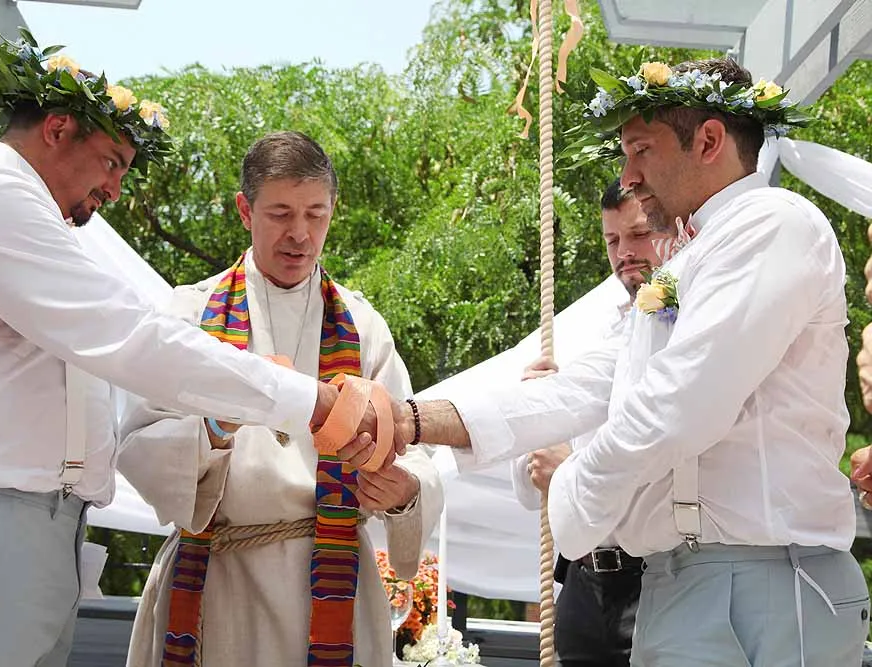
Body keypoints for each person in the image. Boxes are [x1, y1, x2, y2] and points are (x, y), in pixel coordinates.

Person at [0, 35, 384, 667]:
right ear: (57, 129)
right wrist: (309, 401)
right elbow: (132, 339)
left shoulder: (20, 210)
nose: (115, 189)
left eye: (316, 214)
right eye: (111, 162)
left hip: (13, 524)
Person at [343, 56, 869, 665]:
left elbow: (680, 405)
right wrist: (411, 418)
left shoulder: (774, 223)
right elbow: (585, 385)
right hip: (676, 579)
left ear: (708, 141)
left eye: (641, 150)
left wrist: (571, 488)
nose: (629, 176)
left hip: (768, 578)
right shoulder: (688, 260)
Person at [120, 131, 443, 667]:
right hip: (218, 580)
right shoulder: (190, 315)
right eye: (281, 214)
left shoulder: (362, 326)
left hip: (335, 580)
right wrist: (213, 429)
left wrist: (403, 491)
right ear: (245, 210)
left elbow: (414, 452)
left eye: (316, 214)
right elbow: (137, 446)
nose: (300, 234)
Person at [511, 179, 676, 667]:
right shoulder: (586, 339)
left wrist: (569, 468)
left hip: (656, 583)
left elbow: (658, 454)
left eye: (638, 234)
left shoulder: (689, 330)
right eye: (612, 240)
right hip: (582, 586)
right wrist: (538, 416)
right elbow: (530, 491)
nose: (624, 253)